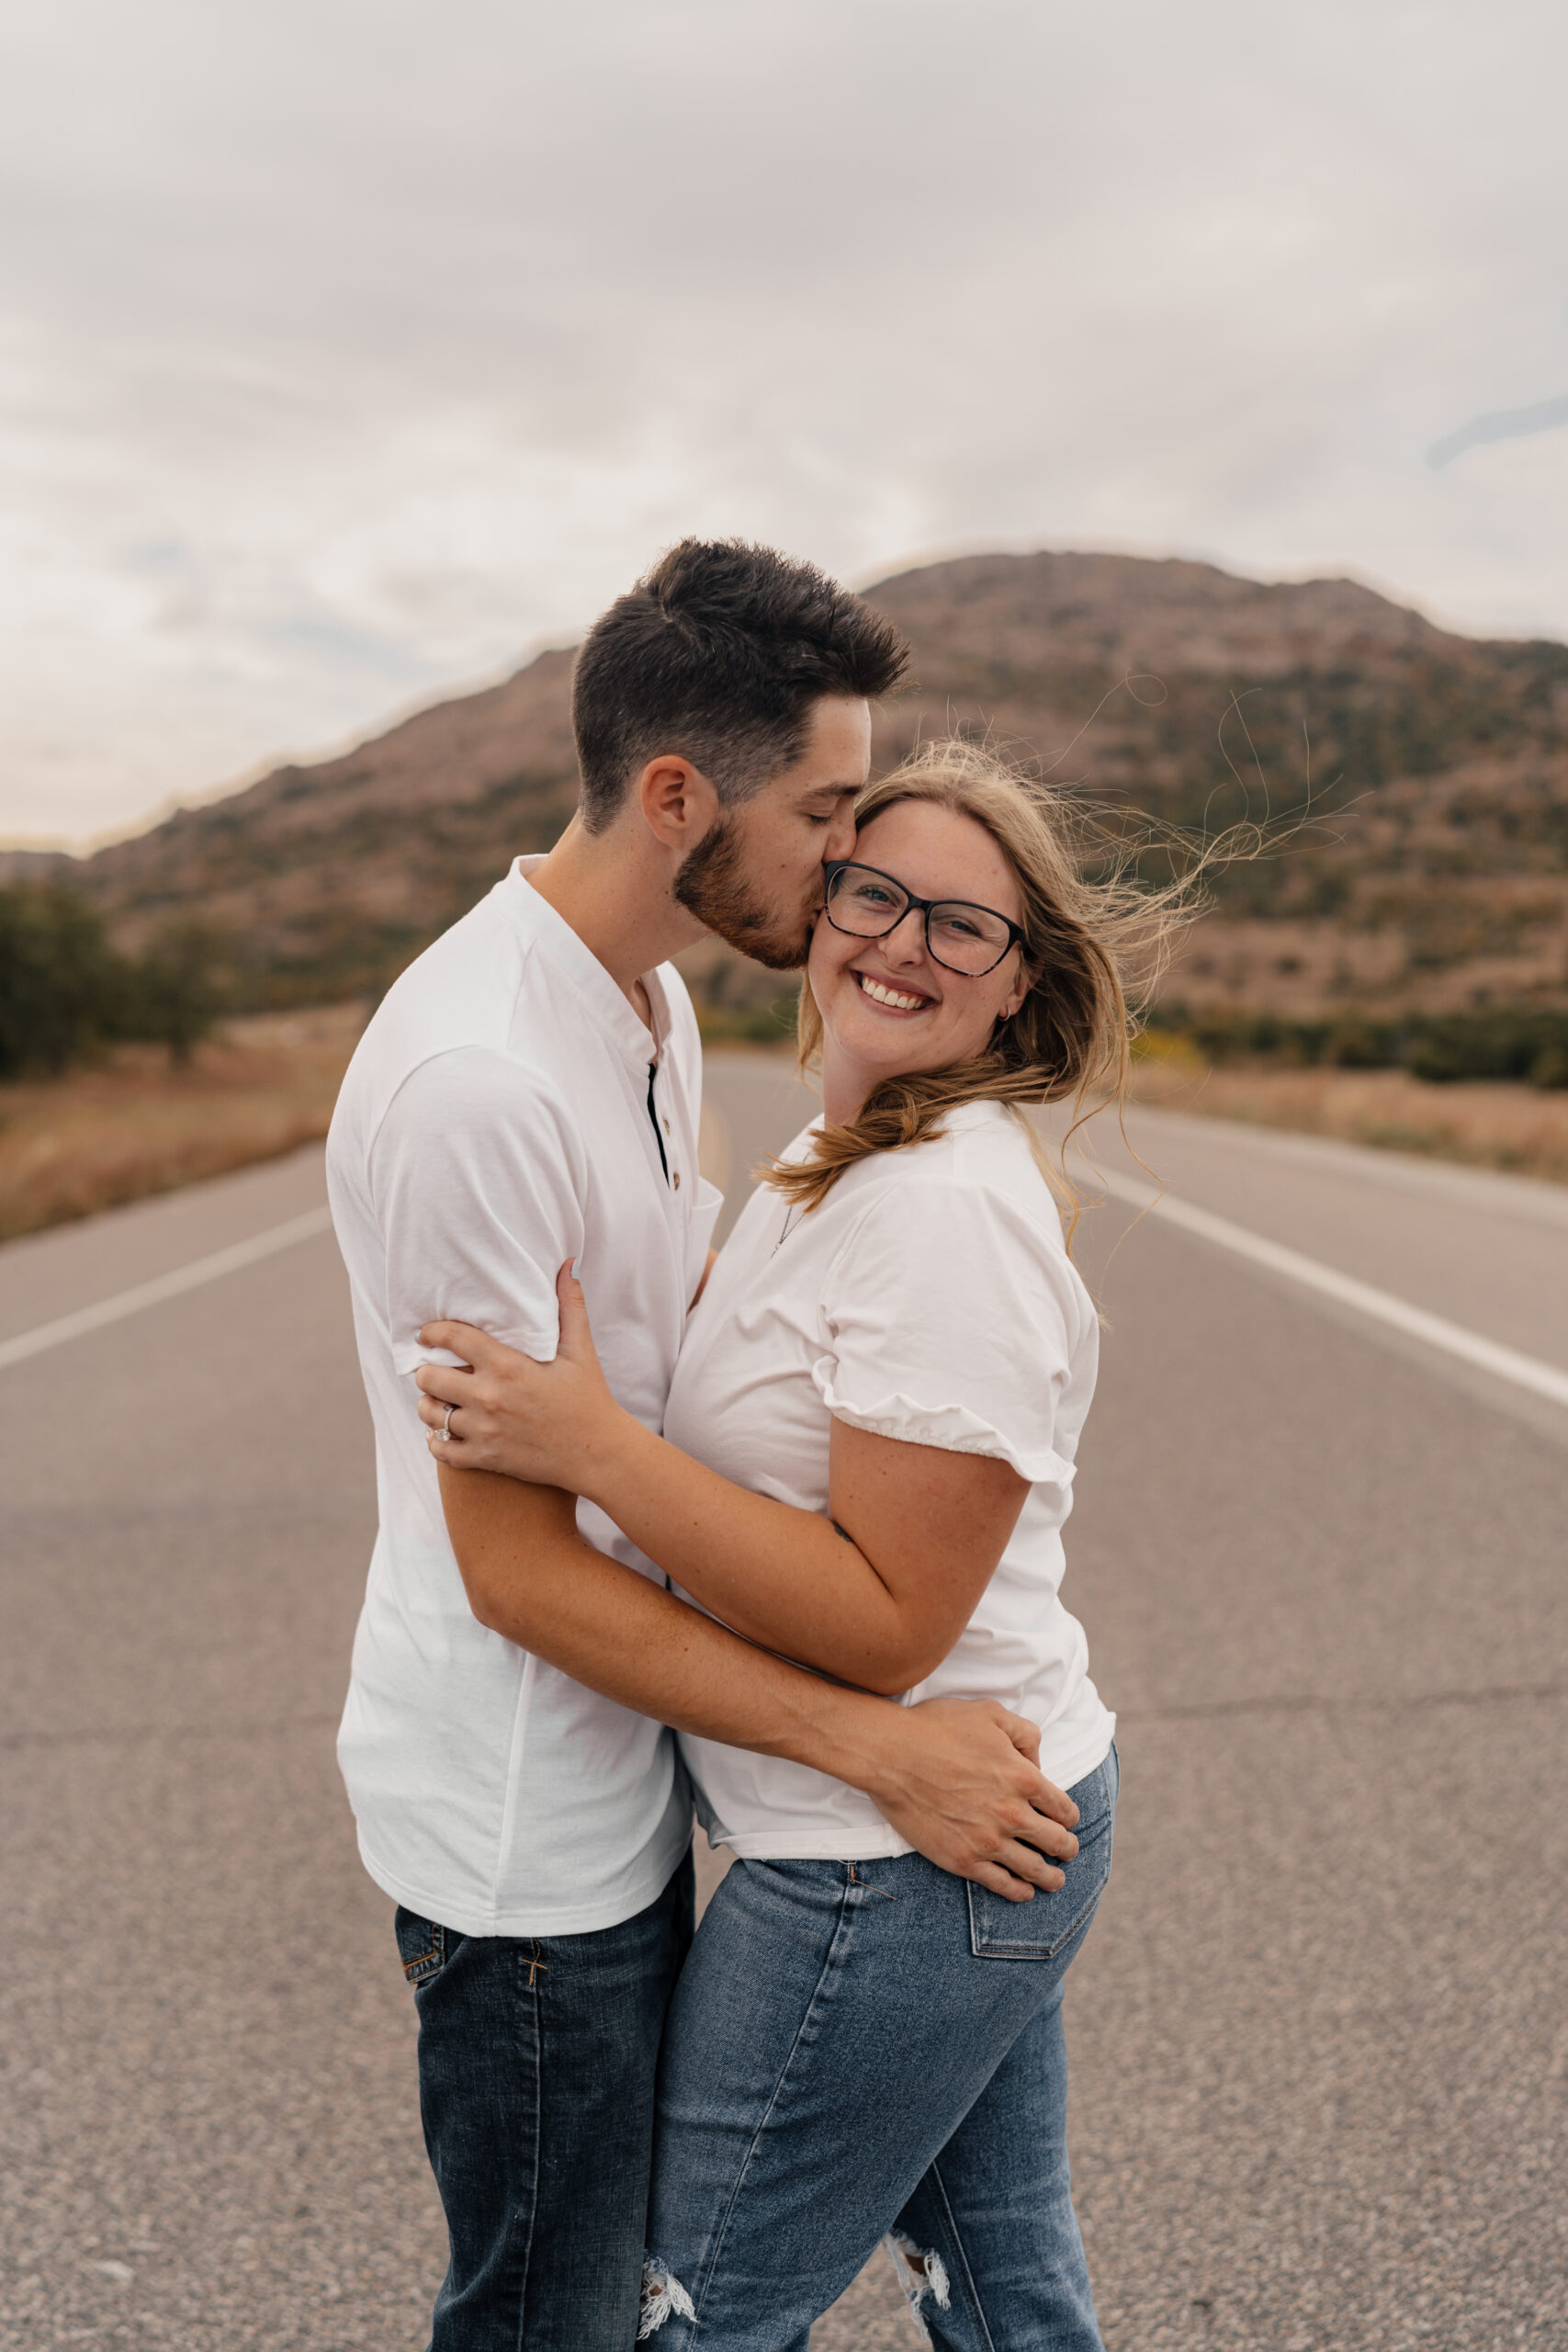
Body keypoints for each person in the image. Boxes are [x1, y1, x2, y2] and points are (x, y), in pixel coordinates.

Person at [326, 554, 1086, 2352]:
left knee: (966, 2265)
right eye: (828, 815)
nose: (848, 871)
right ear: (680, 799)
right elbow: (513, 1562)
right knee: (556, 2319)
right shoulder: (481, 1084)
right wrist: (876, 1748)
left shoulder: (647, 1009)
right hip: (533, 1840)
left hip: (652, 1767)